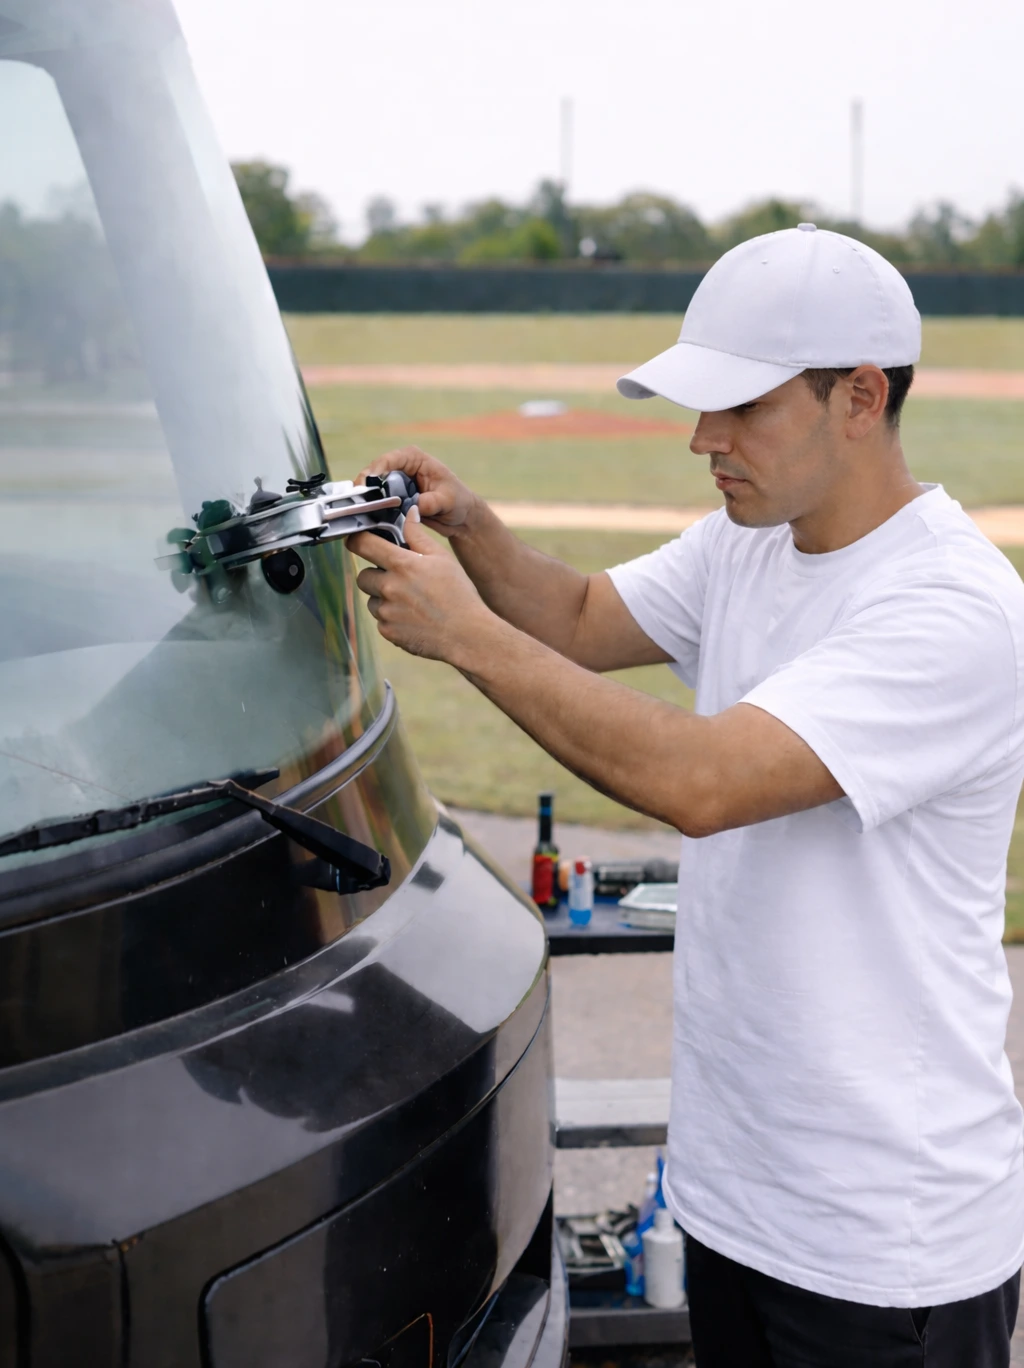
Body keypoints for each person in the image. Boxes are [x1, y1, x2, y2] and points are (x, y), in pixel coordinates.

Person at [347, 223, 1024, 1366]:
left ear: (859, 397)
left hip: (882, 1243)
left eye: (742, 408)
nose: (703, 439)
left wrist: (462, 634)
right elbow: (573, 619)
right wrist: (476, 531)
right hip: (734, 1199)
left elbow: (698, 780)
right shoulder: (750, 542)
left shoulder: (949, 609)